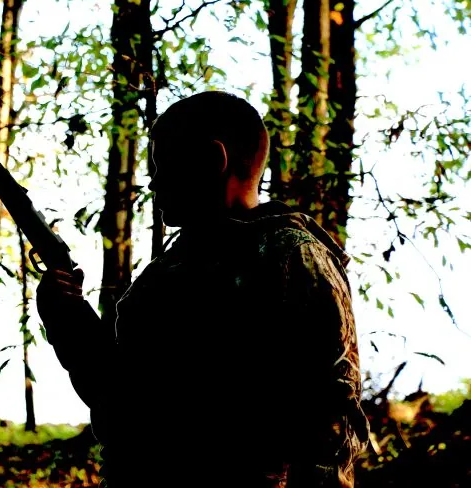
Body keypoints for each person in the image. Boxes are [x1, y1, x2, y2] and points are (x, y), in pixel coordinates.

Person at [36, 91, 370, 487]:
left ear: (214, 160)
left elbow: (329, 422)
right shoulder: (167, 271)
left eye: (163, 165)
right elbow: (124, 402)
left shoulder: (293, 258)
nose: (154, 182)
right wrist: (69, 320)